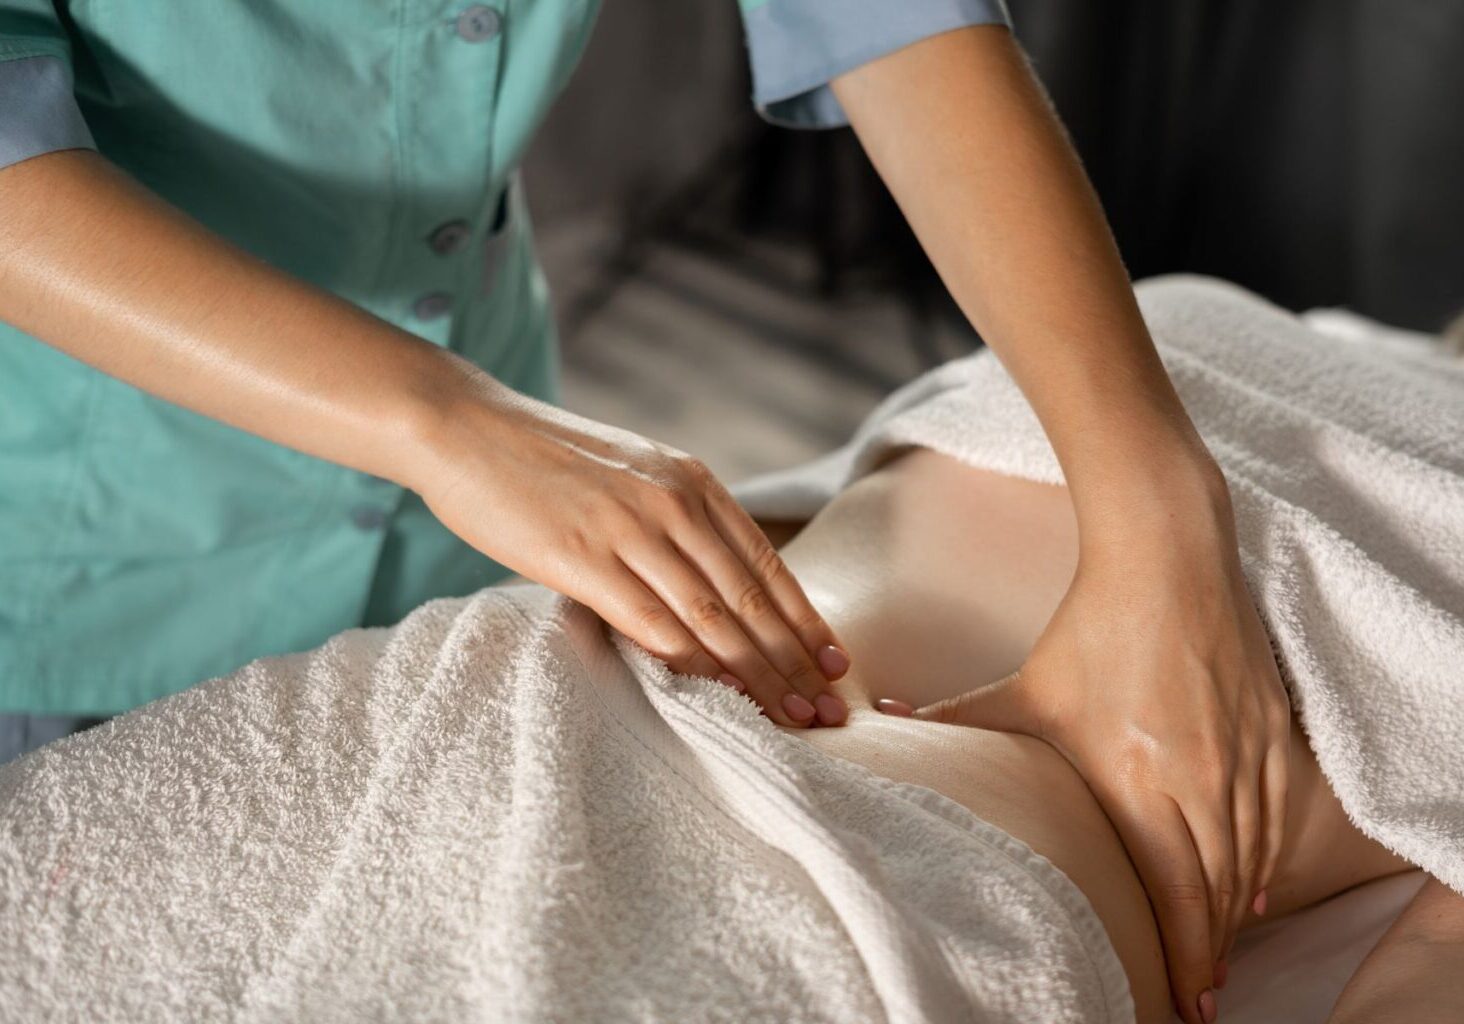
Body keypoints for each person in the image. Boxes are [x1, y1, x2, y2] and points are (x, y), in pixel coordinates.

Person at [0, 6, 1284, 1017]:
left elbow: (896, 17)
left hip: (479, 522)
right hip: (87, 527)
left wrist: (1161, 511)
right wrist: (443, 422)